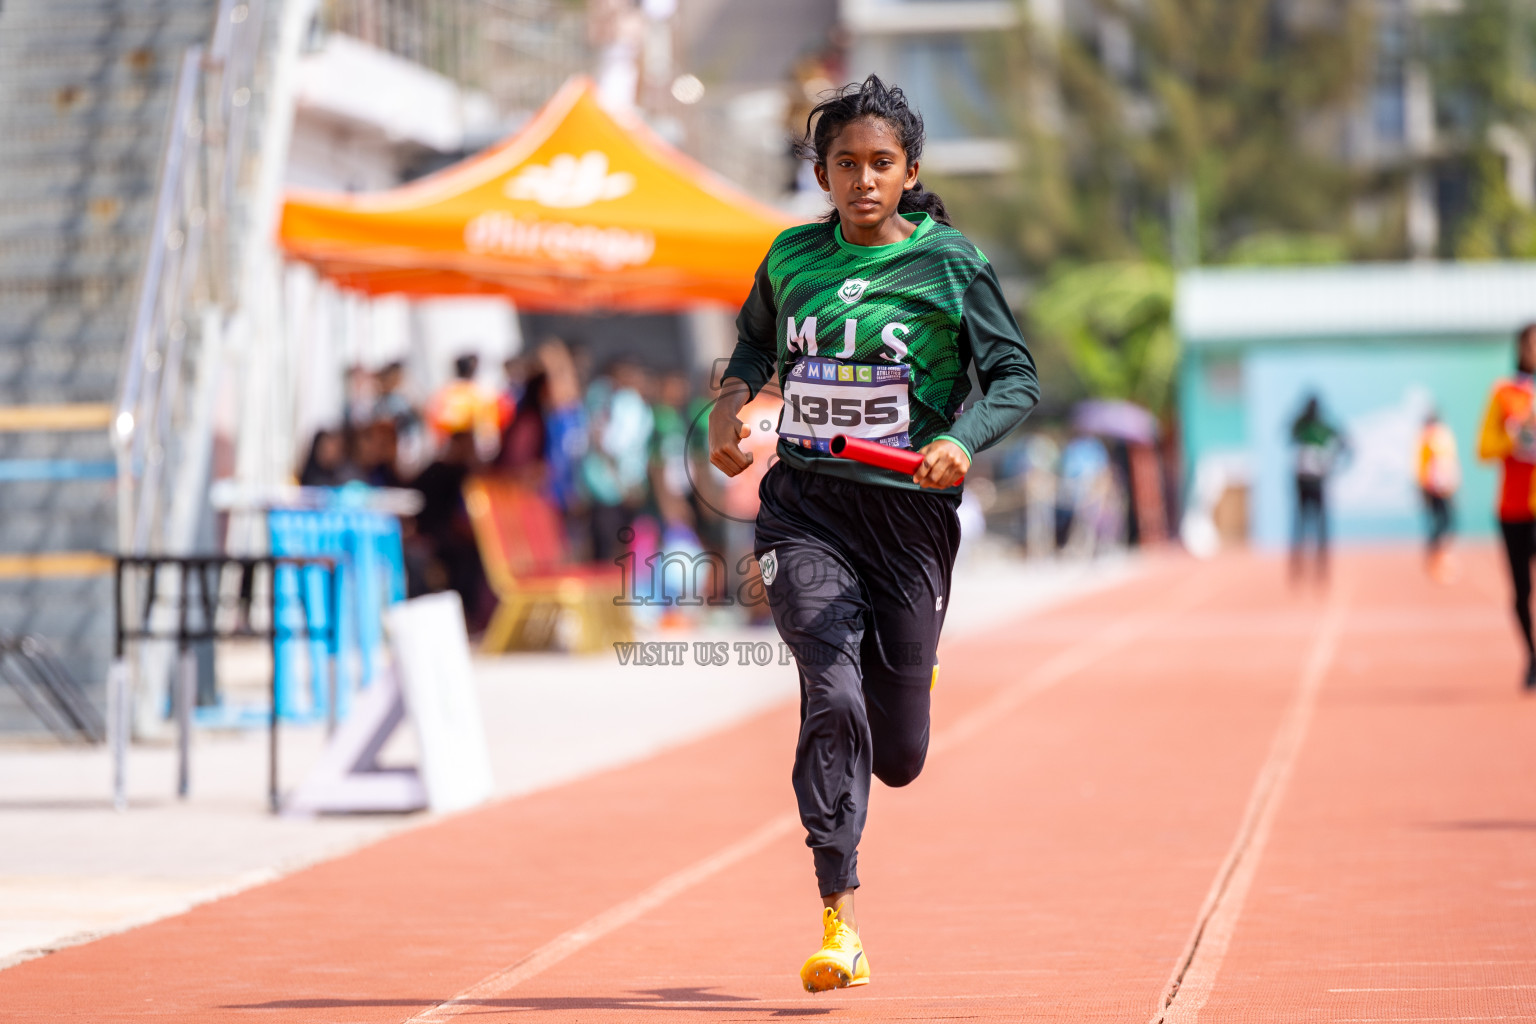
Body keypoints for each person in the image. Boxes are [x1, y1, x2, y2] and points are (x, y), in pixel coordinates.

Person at [708, 75, 1039, 993]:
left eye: (880, 165)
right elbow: (747, 352)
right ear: (820, 173)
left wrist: (957, 441)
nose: (862, 180)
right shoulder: (790, 258)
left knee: (898, 756)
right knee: (830, 692)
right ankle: (837, 918)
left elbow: (1014, 377)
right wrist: (725, 416)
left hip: (907, 523)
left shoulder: (951, 264)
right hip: (805, 508)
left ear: (910, 173)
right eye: (845, 164)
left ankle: (911, 659)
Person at [1478, 323, 1536, 689]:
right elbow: (1483, 447)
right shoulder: (1504, 392)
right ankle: (1532, 655)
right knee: (1521, 591)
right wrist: (1512, 441)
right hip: (1513, 508)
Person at [1289, 393, 1346, 584]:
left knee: (1302, 524)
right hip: (1315, 481)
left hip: (1305, 480)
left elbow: (1288, 433)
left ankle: (1302, 567)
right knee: (1316, 525)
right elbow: (1345, 443)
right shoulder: (1321, 426)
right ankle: (1318, 568)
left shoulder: (1303, 425)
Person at [1417, 411, 1460, 582]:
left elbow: (1449, 463)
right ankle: (1436, 558)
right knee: (1443, 523)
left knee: (1446, 523)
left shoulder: (1438, 436)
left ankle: (1437, 556)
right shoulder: (1431, 438)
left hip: (1444, 487)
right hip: (1436, 488)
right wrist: (1430, 485)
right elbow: (1431, 464)